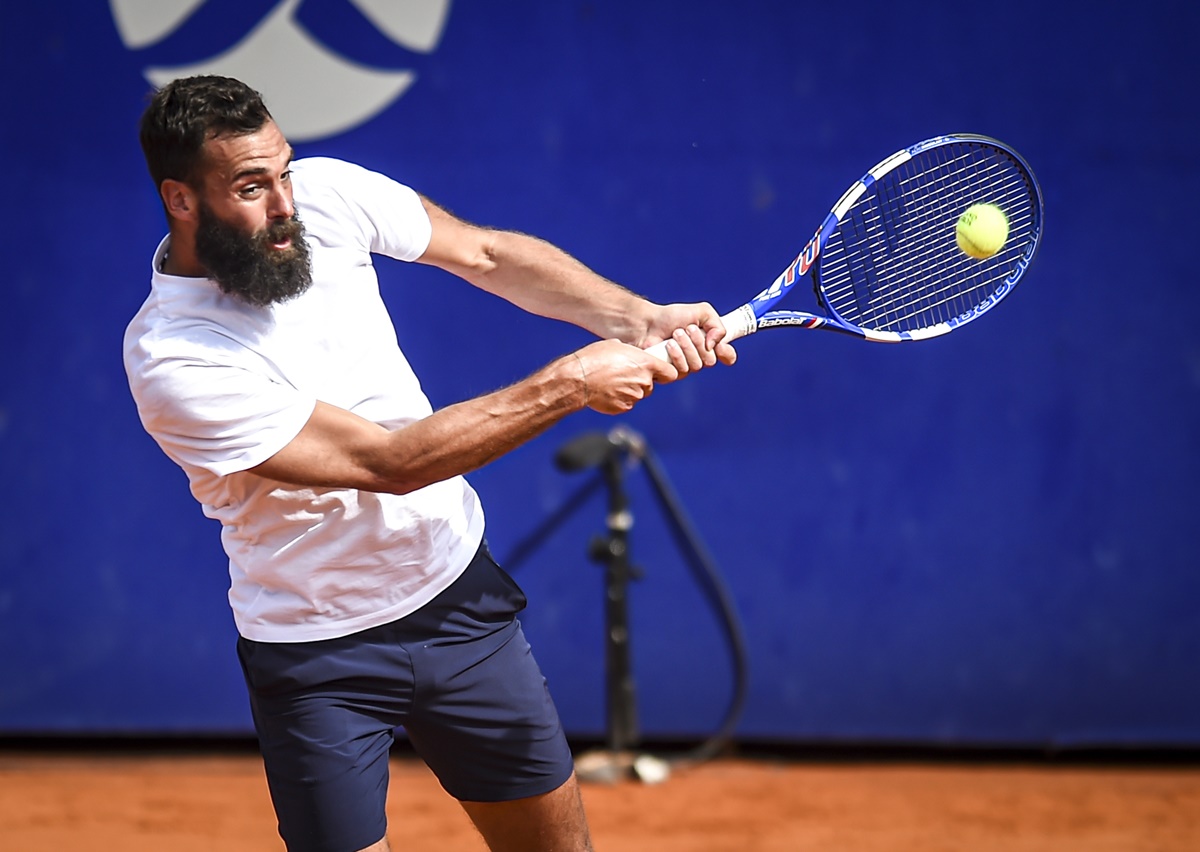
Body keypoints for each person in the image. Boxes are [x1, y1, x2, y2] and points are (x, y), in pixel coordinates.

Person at [123, 75, 735, 852]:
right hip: (317, 651)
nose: (284, 205)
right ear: (181, 200)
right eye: (251, 187)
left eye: (283, 171)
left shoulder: (327, 196)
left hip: (456, 605)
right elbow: (389, 462)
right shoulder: (170, 356)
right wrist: (572, 382)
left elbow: (483, 255)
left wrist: (638, 317)